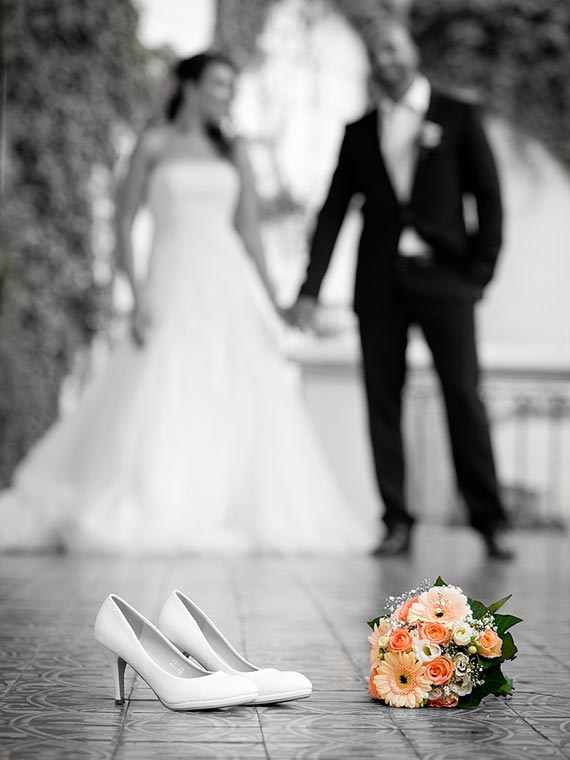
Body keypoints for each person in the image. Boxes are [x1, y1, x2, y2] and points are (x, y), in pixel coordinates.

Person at [0, 52, 373, 554]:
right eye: (219, 84)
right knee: (160, 388)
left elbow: (249, 233)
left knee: (232, 392)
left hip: (225, 286)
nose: (227, 95)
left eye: (232, 87)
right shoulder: (152, 145)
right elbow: (124, 221)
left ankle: (223, 505)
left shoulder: (233, 151)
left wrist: (276, 302)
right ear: (190, 85)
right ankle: (159, 499)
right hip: (170, 283)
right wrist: (133, 297)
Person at [287, 21, 513, 560]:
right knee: (381, 401)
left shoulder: (459, 115)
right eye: (374, 52)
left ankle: (490, 520)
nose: (383, 58)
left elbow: (490, 198)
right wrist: (310, 289)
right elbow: (333, 212)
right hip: (380, 285)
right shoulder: (359, 131)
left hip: (447, 281)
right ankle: (396, 520)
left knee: (464, 396)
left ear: (411, 51)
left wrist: (478, 274)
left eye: (391, 47)